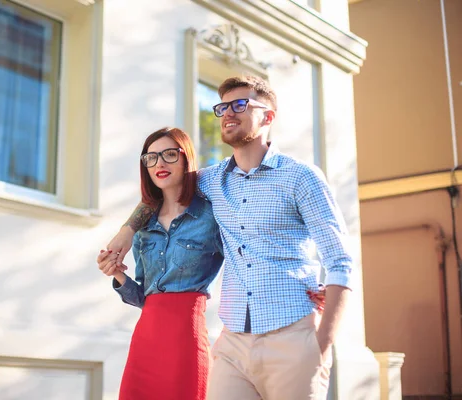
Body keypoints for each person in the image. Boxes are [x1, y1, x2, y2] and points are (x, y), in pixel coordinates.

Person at [99, 75, 352, 400]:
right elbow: (163, 186)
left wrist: (322, 343)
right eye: (222, 107)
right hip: (233, 343)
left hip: (292, 332)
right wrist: (126, 231)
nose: (228, 113)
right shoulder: (211, 180)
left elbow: (340, 261)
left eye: (240, 104)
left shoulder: (300, 176)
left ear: (268, 116)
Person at [99, 127, 224, 400]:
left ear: (185, 158)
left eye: (169, 154)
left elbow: (245, 260)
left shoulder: (211, 216)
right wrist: (118, 276)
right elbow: (143, 297)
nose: (160, 164)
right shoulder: (144, 226)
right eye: (151, 157)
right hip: (145, 340)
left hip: (185, 342)